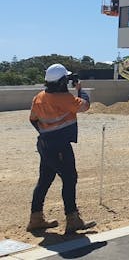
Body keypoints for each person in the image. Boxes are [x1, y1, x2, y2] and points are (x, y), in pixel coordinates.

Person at [27, 64, 96, 234]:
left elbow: (33, 119)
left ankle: (35, 218)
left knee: (45, 179)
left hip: (44, 144)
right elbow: (85, 105)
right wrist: (80, 88)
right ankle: (72, 219)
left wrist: (47, 132)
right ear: (62, 82)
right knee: (70, 178)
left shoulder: (39, 97)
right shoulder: (65, 98)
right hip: (59, 147)